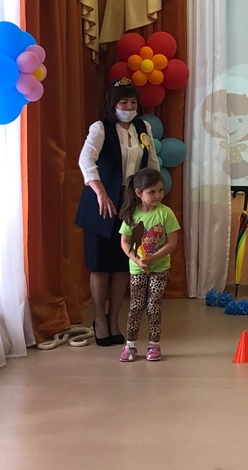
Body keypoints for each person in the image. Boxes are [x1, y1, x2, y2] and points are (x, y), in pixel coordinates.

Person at [75, 78, 160, 346]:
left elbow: (152, 164)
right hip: (101, 202)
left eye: (133, 102)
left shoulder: (143, 128)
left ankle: (114, 319)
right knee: (101, 264)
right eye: (124, 102)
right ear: (113, 104)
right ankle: (99, 319)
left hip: (130, 202)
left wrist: (151, 197)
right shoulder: (100, 128)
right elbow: (86, 160)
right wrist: (100, 192)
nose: (129, 107)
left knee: (124, 262)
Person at [117, 168, 180, 362]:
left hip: (159, 268)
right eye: (152, 192)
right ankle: (130, 345)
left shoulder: (166, 213)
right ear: (139, 193)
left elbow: (172, 242)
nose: (158, 195)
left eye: (160, 190)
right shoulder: (132, 215)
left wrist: (153, 258)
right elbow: (125, 241)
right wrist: (136, 260)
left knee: (154, 306)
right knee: (136, 306)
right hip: (137, 268)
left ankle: (154, 344)